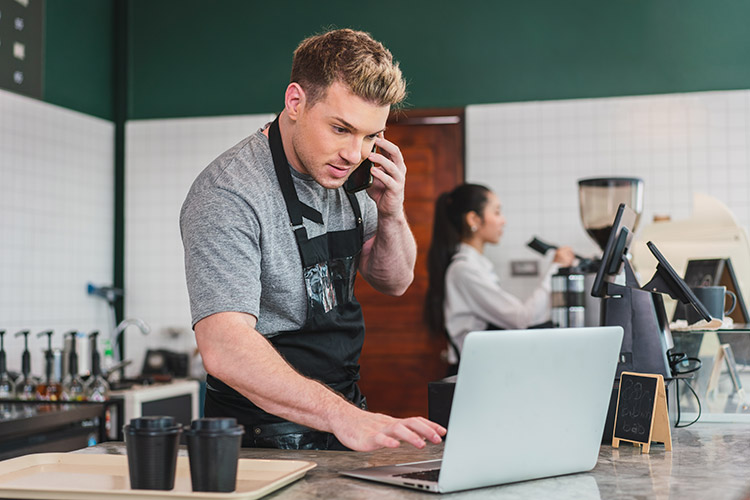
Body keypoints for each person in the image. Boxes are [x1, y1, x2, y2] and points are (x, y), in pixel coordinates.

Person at [180, 29, 446, 451]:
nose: (355, 153)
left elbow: (394, 281)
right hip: (260, 437)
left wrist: (393, 211)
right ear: (295, 102)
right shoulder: (229, 192)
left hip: (341, 414)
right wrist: (345, 417)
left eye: (371, 135)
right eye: (341, 129)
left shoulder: (354, 177)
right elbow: (225, 348)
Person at [425, 184, 575, 374]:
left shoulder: (476, 266)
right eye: (496, 212)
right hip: (471, 374)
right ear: (473, 219)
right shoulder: (465, 270)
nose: (503, 221)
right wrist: (555, 268)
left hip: (482, 370)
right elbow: (522, 319)